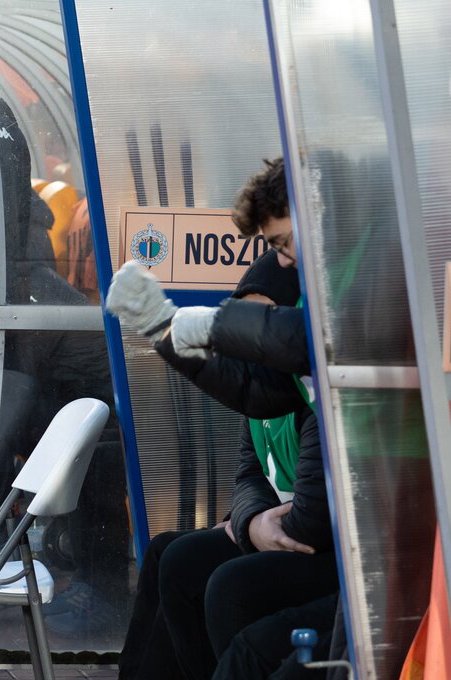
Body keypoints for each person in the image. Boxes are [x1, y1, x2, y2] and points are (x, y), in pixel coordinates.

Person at [107, 158, 340, 680]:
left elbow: (308, 523)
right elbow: (247, 471)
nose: (249, 344)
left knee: (216, 582)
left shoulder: (316, 380)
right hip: (273, 528)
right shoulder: (272, 388)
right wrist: (250, 521)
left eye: (258, 322)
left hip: (319, 545)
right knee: (169, 554)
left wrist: (250, 528)